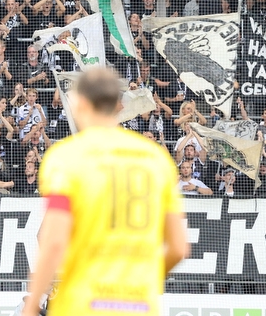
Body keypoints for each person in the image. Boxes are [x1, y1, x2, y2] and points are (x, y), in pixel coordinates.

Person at [22, 67, 188, 316]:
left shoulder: (65, 157)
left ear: (80, 104)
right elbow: (178, 247)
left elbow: (52, 240)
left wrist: (33, 302)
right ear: (119, 105)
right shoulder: (156, 159)